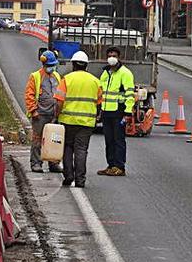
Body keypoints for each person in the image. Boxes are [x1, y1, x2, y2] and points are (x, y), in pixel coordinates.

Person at [54, 51, 102, 188]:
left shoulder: (66, 79)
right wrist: (97, 116)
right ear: (86, 66)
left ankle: (68, 176)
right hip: (86, 123)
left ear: (73, 64)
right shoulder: (95, 81)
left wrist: (56, 116)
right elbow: (99, 103)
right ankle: (80, 180)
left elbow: (59, 102)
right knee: (81, 150)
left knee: (67, 149)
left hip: (67, 121)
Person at [97, 47, 136, 177]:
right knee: (109, 140)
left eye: (114, 55)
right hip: (107, 111)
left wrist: (128, 112)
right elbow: (101, 91)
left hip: (119, 112)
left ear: (119, 57)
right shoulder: (105, 73)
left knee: (118, 140)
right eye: (109, 55)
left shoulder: (125, 73)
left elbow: (130, 94)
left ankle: (119, 166)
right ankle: (111, 165)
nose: (111, 57)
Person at [25, 50, 62, 173]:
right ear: (44, 64)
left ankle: (54, 163)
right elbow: (29, 95)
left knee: (54, 140)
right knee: (37, 140)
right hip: (40, 114)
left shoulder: (56, 76)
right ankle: (36, 163)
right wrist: (33, 111)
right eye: (50, 65)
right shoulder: (35, 76)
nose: (52, 68)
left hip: (54, 114)